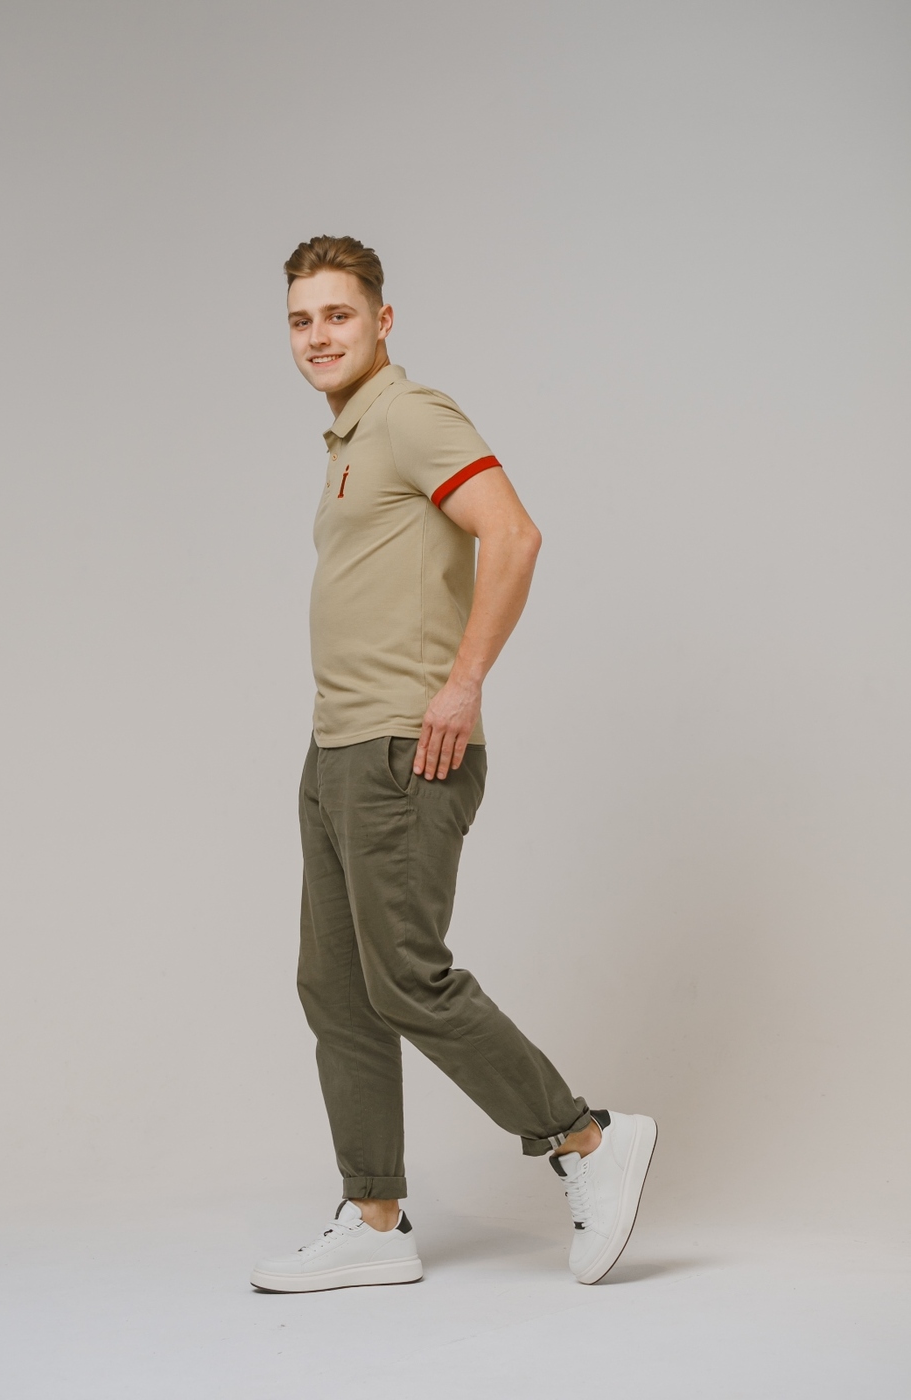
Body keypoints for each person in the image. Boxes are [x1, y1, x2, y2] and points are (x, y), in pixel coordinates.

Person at [250, 236, 656, 1294]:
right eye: (301, 319)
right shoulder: (351, 435)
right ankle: (375, 1217)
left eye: (339, 314)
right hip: (337, 747)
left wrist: (464, 682)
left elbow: (512, 536)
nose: (318, 336)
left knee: (406, 977)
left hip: (403, 747)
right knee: (336, 986)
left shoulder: (411, 415)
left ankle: (587, 1137)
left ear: (383, 321)